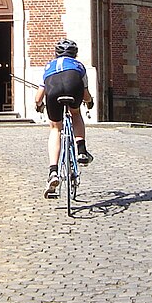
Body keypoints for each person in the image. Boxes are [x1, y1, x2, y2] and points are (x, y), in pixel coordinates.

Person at [34, 38, 94, 198]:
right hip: (74, 87)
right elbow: (85, 94)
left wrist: (38, 105)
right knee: (75, 113)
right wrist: (90, 102)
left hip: (52, 92)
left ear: (56, 53)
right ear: (75, 54)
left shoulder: (48, 66)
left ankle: (53, 172)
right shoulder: (79, 66)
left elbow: (39, 96)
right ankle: (81, 150)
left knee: (55, 128)